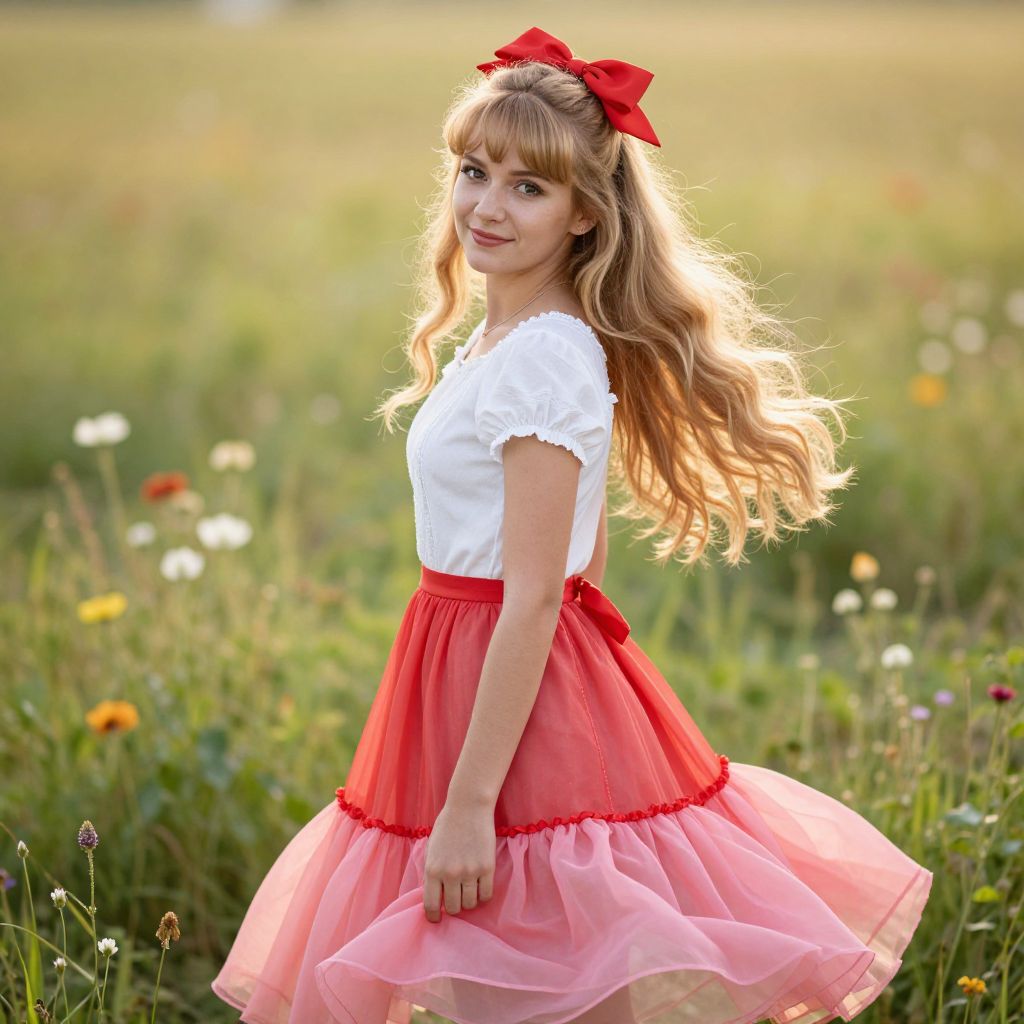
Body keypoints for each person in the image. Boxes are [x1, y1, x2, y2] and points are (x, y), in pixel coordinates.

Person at [211, 26, 932, 1024]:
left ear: (586, 212)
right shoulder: (500, 339)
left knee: (546, 987)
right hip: (460, 675)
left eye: (528, 187)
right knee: (503, 981)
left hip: (511, 688)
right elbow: (580, 556)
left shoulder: (544, 354)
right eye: (474, 171)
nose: (486, 205)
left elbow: (543, 590)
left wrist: (471, 800)